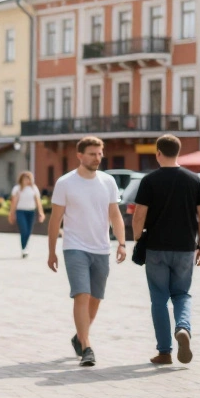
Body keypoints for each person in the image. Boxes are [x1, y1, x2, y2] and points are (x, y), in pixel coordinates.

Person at [47, 136, 126, 368]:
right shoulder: (65, 183)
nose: (97, 158)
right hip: (74, 247)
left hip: (101, 248)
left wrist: (121, 242)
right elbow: (55, 220)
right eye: (92, 153)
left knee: (95, 298)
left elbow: (115, 215)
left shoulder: (108, 182)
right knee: (81, 294)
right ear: (80, 155)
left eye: (100, 153)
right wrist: (51, 251)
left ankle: (79, 336)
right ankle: (87, 347)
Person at [132, 135, 200, 365]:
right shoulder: (194, 180)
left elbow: (139, 216)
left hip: (156, 248)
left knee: (159, 298)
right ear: (178, 152)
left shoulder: (149, 181)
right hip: (185, 248)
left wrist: (138, 240)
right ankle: (183, 328)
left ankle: (164, 351)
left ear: (158, 153)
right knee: (182, 294)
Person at [9, 171, 45, 258]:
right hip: (20, 211)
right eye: (25, 179)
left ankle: (25, 247)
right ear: (21, 179)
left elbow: (38, 201)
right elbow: (14, 202)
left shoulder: (33, 188)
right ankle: (24, 248)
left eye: (28, 179)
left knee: (28, 231)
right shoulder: (17, 189)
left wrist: (41, 212)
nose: (27, 180)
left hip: (31, 212)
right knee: (24, 229)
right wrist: (11, 213)